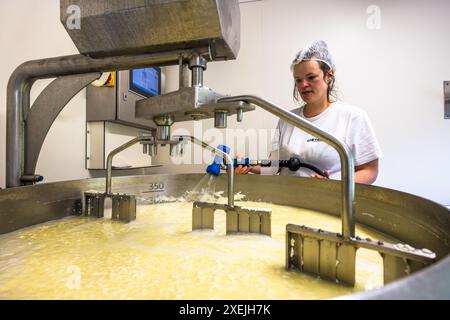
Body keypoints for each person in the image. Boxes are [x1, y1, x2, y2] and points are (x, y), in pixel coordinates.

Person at [235, 40, 382, 184]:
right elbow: (275, 167)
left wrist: (335, 186)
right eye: (298, 80)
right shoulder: (286, 119)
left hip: (330, 203)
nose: (303, 85)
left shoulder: (352, 117)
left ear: (329, 76)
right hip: (286, 201)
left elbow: (370, 171)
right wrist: (250, 166)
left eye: (311, 77)